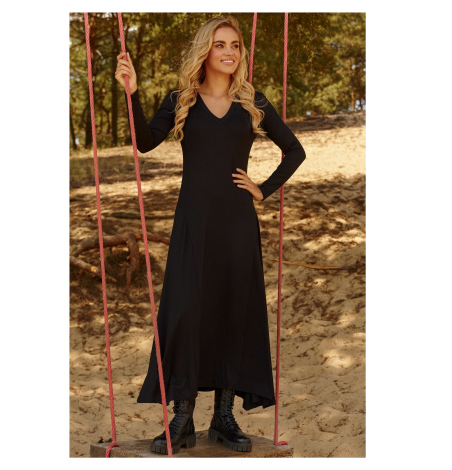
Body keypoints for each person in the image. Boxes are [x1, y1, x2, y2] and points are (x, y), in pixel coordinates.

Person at [115, 15, 306, 455]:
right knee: (186, 311)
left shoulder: (252, 101)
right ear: (206, 49)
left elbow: (294, 150)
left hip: (237, 224)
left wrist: (263, 189)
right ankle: (182, 417)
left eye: (235, 45)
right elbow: (145, 142)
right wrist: (132, 93)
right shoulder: (181, 99)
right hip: (193, 221)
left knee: (232, 311)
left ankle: (223, 416)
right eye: (221, 44)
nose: (229, 51)